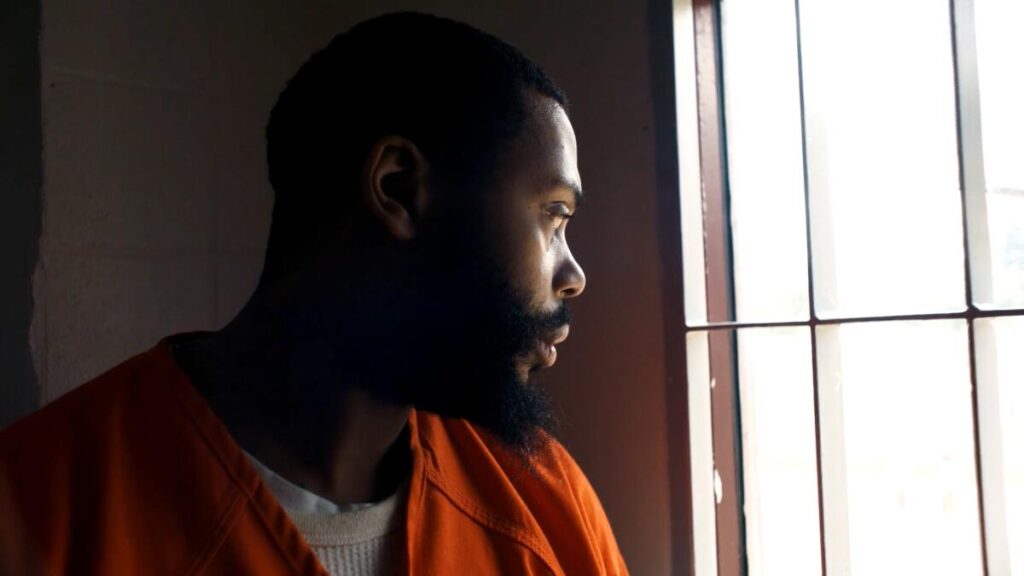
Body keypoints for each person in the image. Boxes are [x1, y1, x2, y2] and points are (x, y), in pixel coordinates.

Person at [0, 12, 627, 575]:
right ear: (399, 187)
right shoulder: (35, 510)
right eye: (553, 215)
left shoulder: (548, 501)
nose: (573, 274)